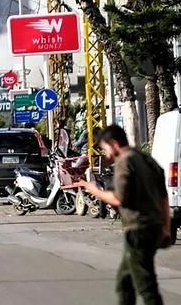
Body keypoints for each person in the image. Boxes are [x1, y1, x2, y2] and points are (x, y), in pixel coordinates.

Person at [71, 125, 170, 305]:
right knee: (125, 282)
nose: (105, 153)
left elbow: (119, 198)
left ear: (114, 144)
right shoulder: (145, 158)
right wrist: (166, 227)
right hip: (153, 226)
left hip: (138, 229)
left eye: (105, 148)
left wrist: (93, 189)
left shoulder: (125, 161)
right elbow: (164, 197)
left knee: (146, 286)